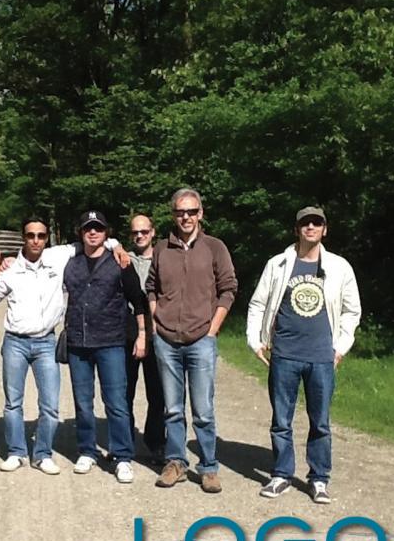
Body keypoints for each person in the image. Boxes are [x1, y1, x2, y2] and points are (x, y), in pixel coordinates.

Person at [0, 217, 129, 475]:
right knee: (13, 402)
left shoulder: (57, 257)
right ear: (23, 238)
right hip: (15, 342)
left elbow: (90, 240)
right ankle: (16, 452)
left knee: (50, 405)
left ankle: (42, 454)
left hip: (46, 341)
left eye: (41, 235)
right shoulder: (10, 269)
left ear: (47, 238)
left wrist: (116, 245)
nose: (36, 240)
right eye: (30, 235)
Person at [247, 206, 361, 504]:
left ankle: (319, 478)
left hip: (322, 356)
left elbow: (352, 311)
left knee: (320, 422)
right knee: (281, 419)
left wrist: (341, 347)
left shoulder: (339, 267)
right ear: (296, 229)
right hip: (284, 354)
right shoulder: (278, 264)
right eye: (305, 223)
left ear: (325, 229)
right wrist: (255, 341)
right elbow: (258, 303)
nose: (311, 227)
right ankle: (281, 475)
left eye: (317, 223)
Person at [146, 188, 238, 494]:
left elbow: (228, 289)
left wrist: (213, 328)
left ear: (200, 213)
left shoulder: (214, 247)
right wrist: (156, 321)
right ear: (173, 215)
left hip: (201, 339)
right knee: (172, 408)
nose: (185, 217)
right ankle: (175, 462)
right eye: (180, 212)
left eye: (191, 211)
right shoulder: (162, 248)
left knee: (203, 410)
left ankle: (209, 467)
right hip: (167, 340)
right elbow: (151, 287)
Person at [64, 211, 147, 484]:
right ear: (81, 232)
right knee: (82, 402)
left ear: (106, 232)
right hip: (78, 342)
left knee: (116, 402)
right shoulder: (70, 262)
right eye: (88, 228)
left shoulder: (120, 262)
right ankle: (87, 450)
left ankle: (122, 456)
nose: (93, 232)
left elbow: (138, 300)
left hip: (111, 342)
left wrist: (142, 334)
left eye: (98, 228)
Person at [125, 214, 166, 464]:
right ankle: (124, 443)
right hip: (127, 332)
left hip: (158, 332)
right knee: (124, 392)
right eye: (135, 232)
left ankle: (156, 443)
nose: (139, 236)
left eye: (144, 231)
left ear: (152, 232)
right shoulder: (122, 259)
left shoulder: (164, 258)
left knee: (158, 393)